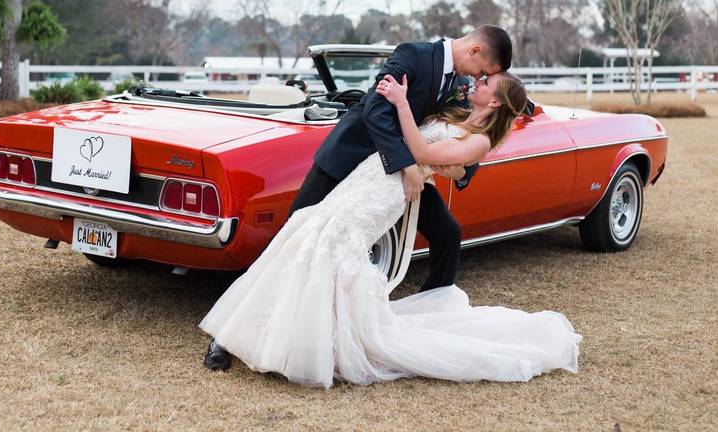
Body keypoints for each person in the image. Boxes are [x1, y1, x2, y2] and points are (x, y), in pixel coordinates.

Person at [198, 69, 581, 387]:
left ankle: (310, 343)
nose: (477, 83)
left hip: (388, 192)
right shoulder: (457, 114)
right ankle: (263, 332)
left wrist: (400, 104)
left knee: (331, 243)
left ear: (495, 101)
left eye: (486, 84)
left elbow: (423, 152)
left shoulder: (478, 141)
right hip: (370, 175)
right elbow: (430, 154)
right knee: (309, 232)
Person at [204, 26, 513, 370]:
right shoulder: (412, 55)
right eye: (484, 71)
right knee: (293, 238)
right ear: (475, 52)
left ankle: (431, 313)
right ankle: (227, 337)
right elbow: (376, 113)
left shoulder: (460, 85)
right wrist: (409, 165)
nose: (478, 79)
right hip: (352, 161)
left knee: (447, 233)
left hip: (395, 179)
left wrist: (455, 167)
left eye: (485, 79)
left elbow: (466, 134)